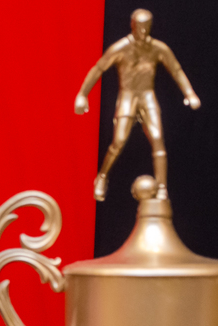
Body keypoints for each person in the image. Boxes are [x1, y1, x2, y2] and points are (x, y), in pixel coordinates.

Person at [74, 8, 200, 202]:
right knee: (119, 141)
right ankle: (102, 176)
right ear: (132, 26)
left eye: (147, 28)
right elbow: (98, 69)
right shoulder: (121, 48)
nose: (143, 32)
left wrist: (189, 93)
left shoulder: (158, 48)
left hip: (147, 96)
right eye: (140, 27)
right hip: (128, 96)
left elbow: (176, 70)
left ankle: (162, 188)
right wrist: (83, 94)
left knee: (158, 139)